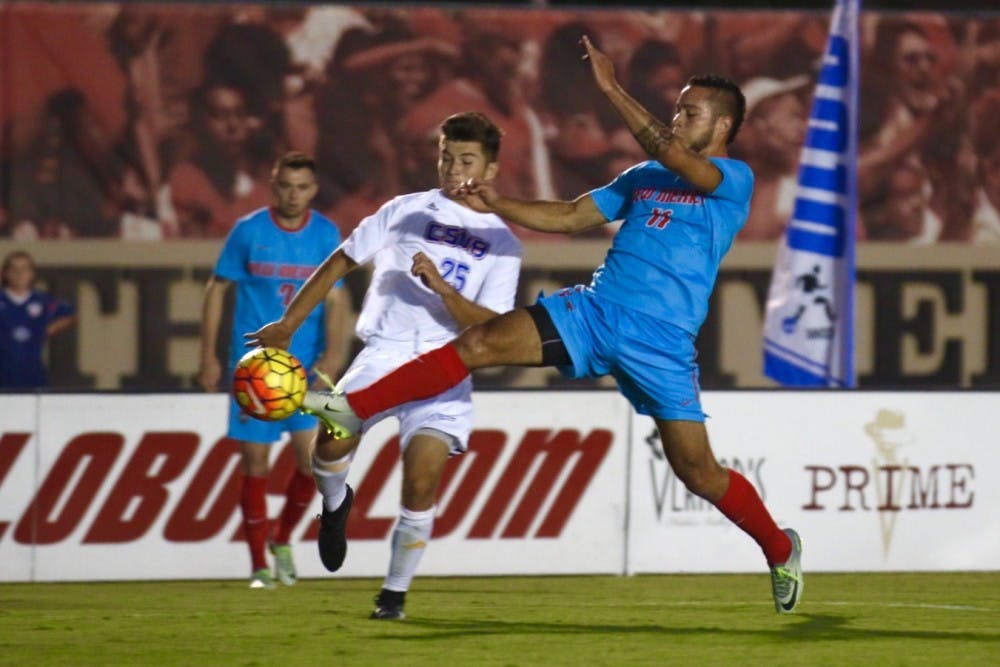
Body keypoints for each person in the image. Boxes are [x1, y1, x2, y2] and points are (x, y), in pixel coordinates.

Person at [249, 36, 804, 614]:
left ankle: (779, 546)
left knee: (697, 472)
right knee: (479, 342)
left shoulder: (732, 180)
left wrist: (612, 89)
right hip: (593, 313)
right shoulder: (644, 176)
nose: (675, 117)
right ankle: (354, 407)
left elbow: (673, 153)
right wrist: (500, 204)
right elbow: (568, 216)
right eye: (676, 108)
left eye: (688, 112)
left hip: (660, 343)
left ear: (721, 126)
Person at [253, 111, 521, 619]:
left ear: (490, 170)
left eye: (466, 159)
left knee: (420, 482)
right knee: (328, 445)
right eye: (446, 156)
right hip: (384, 352)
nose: (452, 167)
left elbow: (493, 329)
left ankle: (393, 597)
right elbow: (340, 261)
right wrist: (288, 324)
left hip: (447, 365)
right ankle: (335, 505)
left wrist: (442, 289)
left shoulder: (504, 242)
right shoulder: (403, 210)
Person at [199, 151, 350, 589]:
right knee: (256, 462)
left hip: (309, 368)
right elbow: (217, 287)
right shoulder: (248, 231)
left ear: (314, 190)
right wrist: (207, 355)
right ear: (272, 184)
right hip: (254, 367)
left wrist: (335, 355)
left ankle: (282, 540)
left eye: (302, 187)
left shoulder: (325, 233)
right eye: (285, 185)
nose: (293, 194)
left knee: (314, 462)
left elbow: (338, 298)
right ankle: (258, 567)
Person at [0, 250, 76, 388]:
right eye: (14, 269)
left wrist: (47, 329)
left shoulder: (42, 301)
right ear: (5, 273)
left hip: (33, 373)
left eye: (24, 269)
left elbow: (69, 314)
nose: (19, 274)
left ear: (32, 273)